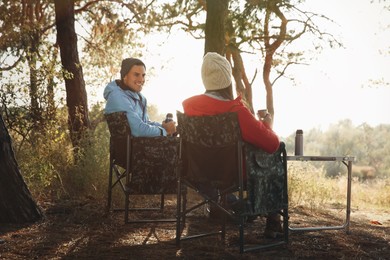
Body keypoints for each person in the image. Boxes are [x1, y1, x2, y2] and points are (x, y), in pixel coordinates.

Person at [182, 52, 283, 238]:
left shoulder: (188, 106)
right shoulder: (236, 111)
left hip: (197, 172)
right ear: (227, 79)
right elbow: (272, 144)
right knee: (276, 153)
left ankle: (223, 205)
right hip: (233, 173)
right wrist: (267, 126)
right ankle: (273, 220)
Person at [103, 58, 176, 137]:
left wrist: (163, 126)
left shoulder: (141, 98)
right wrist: (164, 131)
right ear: (125, 76)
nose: (141, 79)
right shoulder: (117, 96)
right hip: (128, 148)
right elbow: (138, 130)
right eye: (136, 74)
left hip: (141, 146)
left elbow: (145, 123)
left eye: (143, 75)